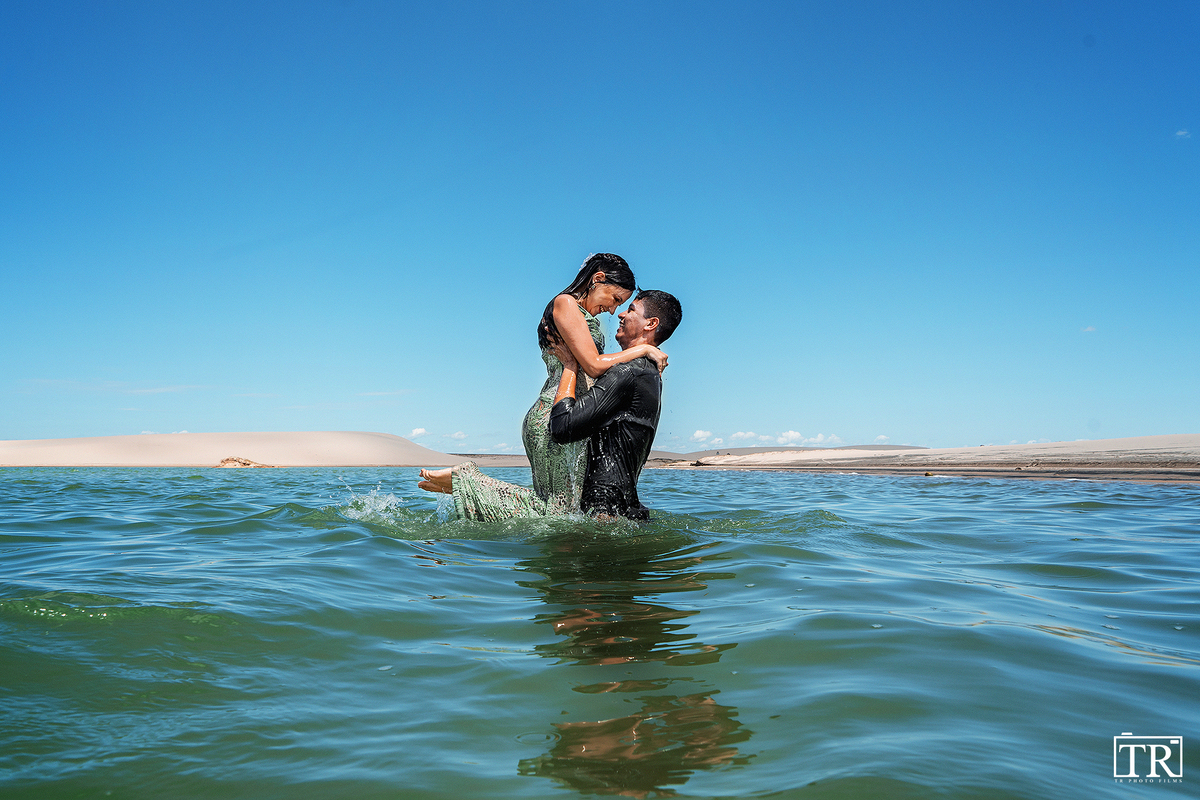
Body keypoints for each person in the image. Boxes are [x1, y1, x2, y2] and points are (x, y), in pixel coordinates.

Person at [419, 290, 682, 522]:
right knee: (549, 510)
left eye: (631, 309)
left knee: (548, 511)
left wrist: (570, 364)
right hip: (619, 506)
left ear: (651, 324)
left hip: (603, 513)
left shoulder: (629, 372)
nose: (621, 314)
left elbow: (562, 425)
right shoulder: (648, 374)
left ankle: (467, 482)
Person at [528, 254, 668, 511]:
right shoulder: (565, 303)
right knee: (557, 511)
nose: (614, 310)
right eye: (615, 299)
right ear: (598, 279)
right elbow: (593, 364)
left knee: (561, 511)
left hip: (573, 411)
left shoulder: (581, 314)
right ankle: (466, 484)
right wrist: (644, 350)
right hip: (556, 411)